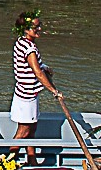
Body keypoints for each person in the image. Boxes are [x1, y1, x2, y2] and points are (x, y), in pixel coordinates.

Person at [10, 12, 65, 158]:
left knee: (32, 129)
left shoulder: (21, 42)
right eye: (35, 27)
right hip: (26, 96)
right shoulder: (30, 49)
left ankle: (32, 159)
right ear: (26, 29)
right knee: (23, 132)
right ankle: (8, 162)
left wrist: (45, 67)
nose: (39, 29)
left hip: (24, 92)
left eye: (39, 25)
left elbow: (32, 65)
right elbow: (38, 73)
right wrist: (54, 91)